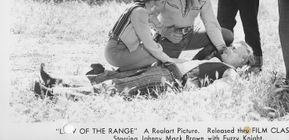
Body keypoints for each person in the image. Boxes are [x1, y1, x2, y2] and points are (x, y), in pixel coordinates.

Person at [33, 42, 253, 99]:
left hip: (168, 80)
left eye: (235, 49)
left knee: (115, 87)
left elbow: (221, 87)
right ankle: (56, 80)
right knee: (110, 75)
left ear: (242, 62)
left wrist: (192, 92)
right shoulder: (209, 59)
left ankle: (55, 94)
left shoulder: (228, 71)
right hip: (161, 69)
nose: (228, 48)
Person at [104, 0, 185, 72]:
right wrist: (169, 61)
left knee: (154, 55)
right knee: (156, 50)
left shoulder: (140, 7)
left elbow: (157, 26)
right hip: (116, 52)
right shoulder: (139, 12)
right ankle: (120, 72)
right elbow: (149, 44)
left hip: (117, 49)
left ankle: (122, 71)